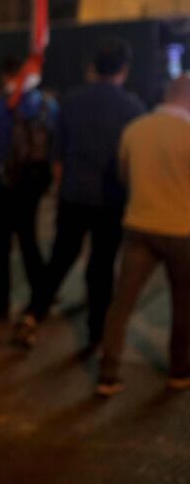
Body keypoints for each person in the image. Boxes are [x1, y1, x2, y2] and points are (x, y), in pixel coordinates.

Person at [14, 38, 146, 350]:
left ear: (93, 69)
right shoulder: (133, 108)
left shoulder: (72, 102)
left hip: (73, 194)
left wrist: (62, 190)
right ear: (123, 70)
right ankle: (96, 333)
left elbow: (57, 155)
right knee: (102, 266)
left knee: (60, 257)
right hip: (112, 199)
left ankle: (33, 315)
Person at [96, 75, 190, 396]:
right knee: (183, 305)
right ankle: (179, 371)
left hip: (139, 225)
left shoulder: (136, 129)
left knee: (122, 302)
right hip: (182, 231)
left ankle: (108, 373)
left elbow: (125, 175)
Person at [0, 57, 54, 320]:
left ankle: (1, 306)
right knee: (29, 242)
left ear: (4, 76)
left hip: (0, 186)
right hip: (31, 187)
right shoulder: (46, 104)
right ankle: (40, 299)